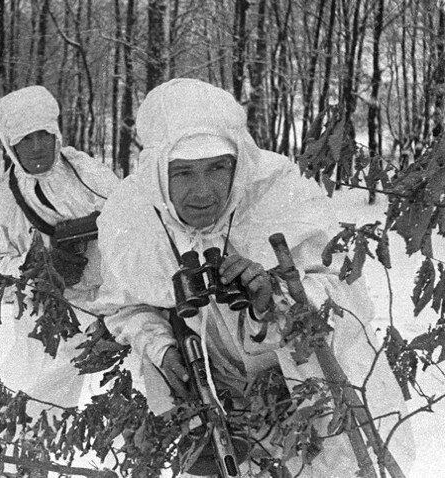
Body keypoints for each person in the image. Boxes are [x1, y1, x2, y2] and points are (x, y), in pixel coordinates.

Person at [95, 79, 415, 475]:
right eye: (183, 173)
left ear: (238, 160)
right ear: (158, 171)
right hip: (222, 404)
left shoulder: (280, 193)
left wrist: (275, 298)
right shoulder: (133, 214)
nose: (203, 191)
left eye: (217, 168)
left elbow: (346, 298)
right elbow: (125, 303)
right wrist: (162, 348)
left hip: (313, 389)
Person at [0, 85, 119, 409]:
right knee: (34, 391)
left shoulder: (90, 174)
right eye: (26, 139)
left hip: (107, 305)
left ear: (56, 134)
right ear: (11, 145)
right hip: (44, 311)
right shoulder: (4, 197)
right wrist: (38, 268)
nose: (38, 147)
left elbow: (133, 232)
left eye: (44, 135)